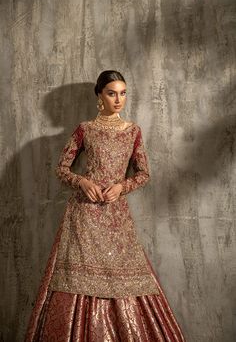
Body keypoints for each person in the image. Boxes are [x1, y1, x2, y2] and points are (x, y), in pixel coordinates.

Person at [25, 70, 186, 341]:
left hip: (116, 217)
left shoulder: (133, 131)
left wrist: (122, 186)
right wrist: (82, 182)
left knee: (124, 279)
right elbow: (62, 169)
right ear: (99, 95)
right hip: (84, 214)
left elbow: (144, 173)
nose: (118, 99)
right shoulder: (85, 130)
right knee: (75, 280)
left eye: (123, 93)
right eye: (112, 93)